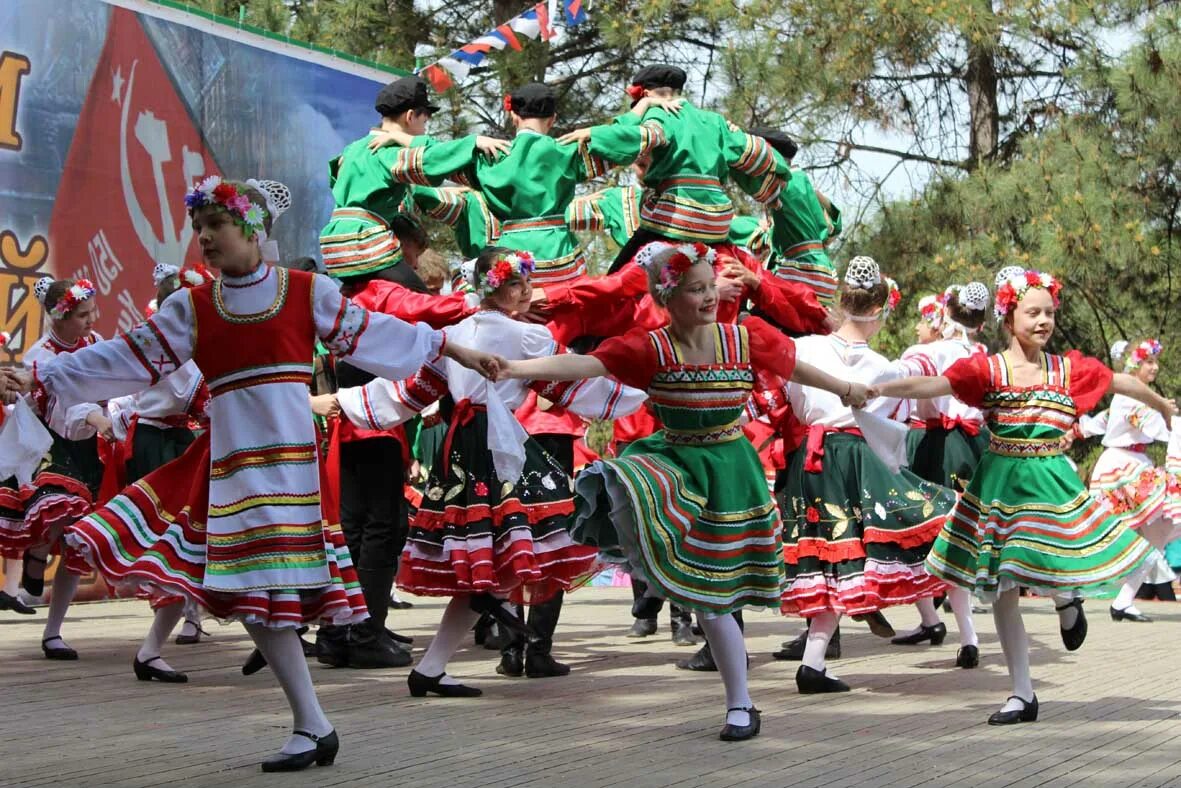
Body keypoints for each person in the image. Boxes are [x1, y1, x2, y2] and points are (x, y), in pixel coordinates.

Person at [5, 176, 499, 771]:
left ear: (253, 228)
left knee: (256, 598)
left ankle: (313, 726)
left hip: (289, 470)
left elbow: (377, 335)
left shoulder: (305, 292)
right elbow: (124, 358)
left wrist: (453, 348)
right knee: (251, 597)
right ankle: (313, 725)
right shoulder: (192, 307)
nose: (204, 239)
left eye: (214, 226)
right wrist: (41, 377)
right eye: (198, 229)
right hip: (232, 470)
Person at [492, 240, 868, 742]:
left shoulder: (746, 336)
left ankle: (741, 703)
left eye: (711, 286)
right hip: (676, 471)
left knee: (714, 596)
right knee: (707, 594)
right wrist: (513, 369)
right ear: (668, 299)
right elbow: (586, 365)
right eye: (696, 290)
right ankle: (740, 703)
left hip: (731, 475)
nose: (710, 297)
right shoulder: (651, 347)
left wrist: (846, 389)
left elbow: (793, 365)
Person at [320, 246, 647, 697]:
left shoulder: (453, 333)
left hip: (463, 450)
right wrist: (651, 388)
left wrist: (341, 403)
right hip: (502, 448)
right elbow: (576, 385)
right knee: (524, 545)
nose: (527, 290)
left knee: (493, 554)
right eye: (517, 283)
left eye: (526, 281)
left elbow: (407, 394)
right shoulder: (524, 337)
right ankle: (495, 624)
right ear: (495, 288)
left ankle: (441, 661)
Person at [868, 268, 1169, 725]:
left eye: (1049, 312)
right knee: (1003, 586)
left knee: (1056, 558)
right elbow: (936, 385)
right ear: (1009, 318)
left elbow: (1118, 383)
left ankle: (1067, 600)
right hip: (1000, 485)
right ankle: (1022, 693)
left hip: (1050, 482)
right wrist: (881, 388)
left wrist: (1164, 405)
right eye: (1033, 312)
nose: (1044, 320)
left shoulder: (1066, 369)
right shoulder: (988, 368)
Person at [775, 258, 958, 692]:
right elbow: (895, 426)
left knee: (827, 557)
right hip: (856, 460)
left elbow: (784, 399)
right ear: (879, 310)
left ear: (841, 303)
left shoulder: (803, 350)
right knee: (867, 548)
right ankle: (816, 661)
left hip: (811, 459)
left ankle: (813, 661)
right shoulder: (885, 368)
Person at [372, 82, 671, 286]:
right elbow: (628, 139)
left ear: (513, 116)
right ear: (552, 119)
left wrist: (400, 136)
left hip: (513, 258)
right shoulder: (568, 151)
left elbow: (439, 154)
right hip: (561, 256)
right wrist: (642, 107)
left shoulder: (489, 157)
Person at [887, 283, 992, 667]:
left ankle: (941, 623)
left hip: (934, 446)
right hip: (977, 446)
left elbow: (901, 383)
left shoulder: (929, 353)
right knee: (963, 536)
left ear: (945, 314)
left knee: (921, 535)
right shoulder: (983, 355)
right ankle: (964, 634)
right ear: (980, 322)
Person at [319, 74, 507, 280]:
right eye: (424, 122)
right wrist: (473, 142)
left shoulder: (352, 149)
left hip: (334, 245)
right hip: (364, 243)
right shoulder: (388, 153)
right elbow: (430, 160)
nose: (425, 129)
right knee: (417, 298)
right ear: (410, 117)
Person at [10, 277, 107, 660]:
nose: (91, 320)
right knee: (60, 516)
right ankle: (36, 552)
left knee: (77, 541)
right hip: (53, 447)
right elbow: (52, 412)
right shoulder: (41, 357)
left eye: (92, 312)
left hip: (93, 449)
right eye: (83, 315)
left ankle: (53, 632)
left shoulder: (96, 344)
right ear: (59, 317)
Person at [1088, 338, 1180, 622]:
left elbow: (1097, 423)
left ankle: (1123, 602)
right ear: (1134, 366)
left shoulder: (1134, 398)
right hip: (1121, 470)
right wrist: (1170, 416)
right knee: (1105, 538)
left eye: (1154, 361)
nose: (1154, 367)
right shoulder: (1130, 399)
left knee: (1157, 539)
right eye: (1148, 362)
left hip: (1134, 466)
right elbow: (1161, 428)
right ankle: (1069, 593)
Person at [728, 129, 843, 307]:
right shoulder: (802, 185)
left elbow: (747, 175)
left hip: (801, 272)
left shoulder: (785, 182)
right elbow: (833, 227)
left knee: (759, 316)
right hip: (824, 275)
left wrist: (726, 140)